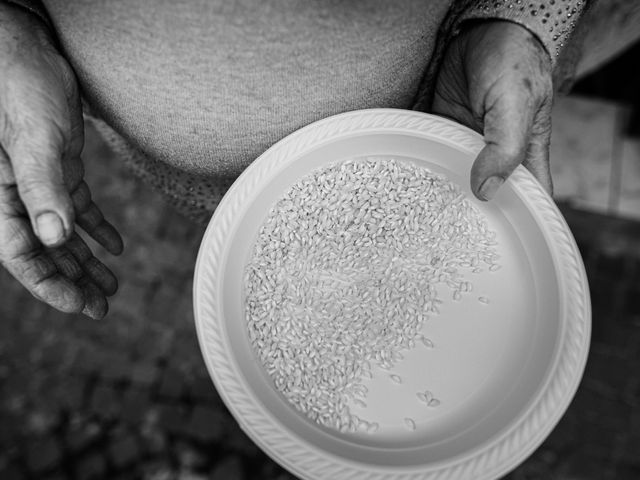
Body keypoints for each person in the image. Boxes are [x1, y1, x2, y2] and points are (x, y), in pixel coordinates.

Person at [0, 0, 591, 319]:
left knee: (388, 261)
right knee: (257, 261)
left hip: (426, 124)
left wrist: (517, 16)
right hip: (175, 168)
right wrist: (9, 35)